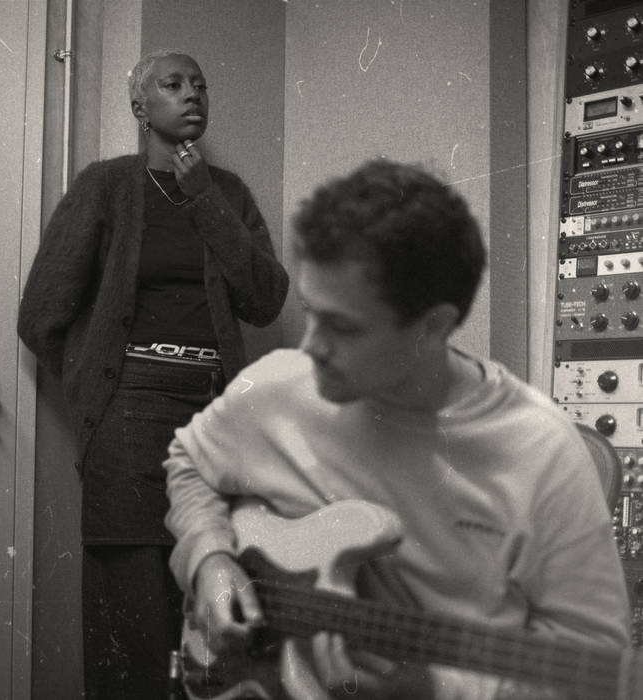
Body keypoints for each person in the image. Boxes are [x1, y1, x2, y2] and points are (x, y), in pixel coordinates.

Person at [163, 159, 631, 699]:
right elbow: (189, 463)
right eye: (311, 312)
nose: (310, 346)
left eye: (342, 326)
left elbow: (593, 664)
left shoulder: (541, 450)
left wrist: (441, 689)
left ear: (433, 326)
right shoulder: (276, 386)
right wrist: (209, 557)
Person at [17, 48, 289, 699]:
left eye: (200, 84)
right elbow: (42, 312)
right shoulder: (106, 187)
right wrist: (98, 387)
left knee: (213, 594)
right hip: (130, 413)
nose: (192, 94)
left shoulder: (228, 194)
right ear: (141, 106)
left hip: (214, 418)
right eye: (174, 84)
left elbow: (265, 298)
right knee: (132, 608)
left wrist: (204, 200)